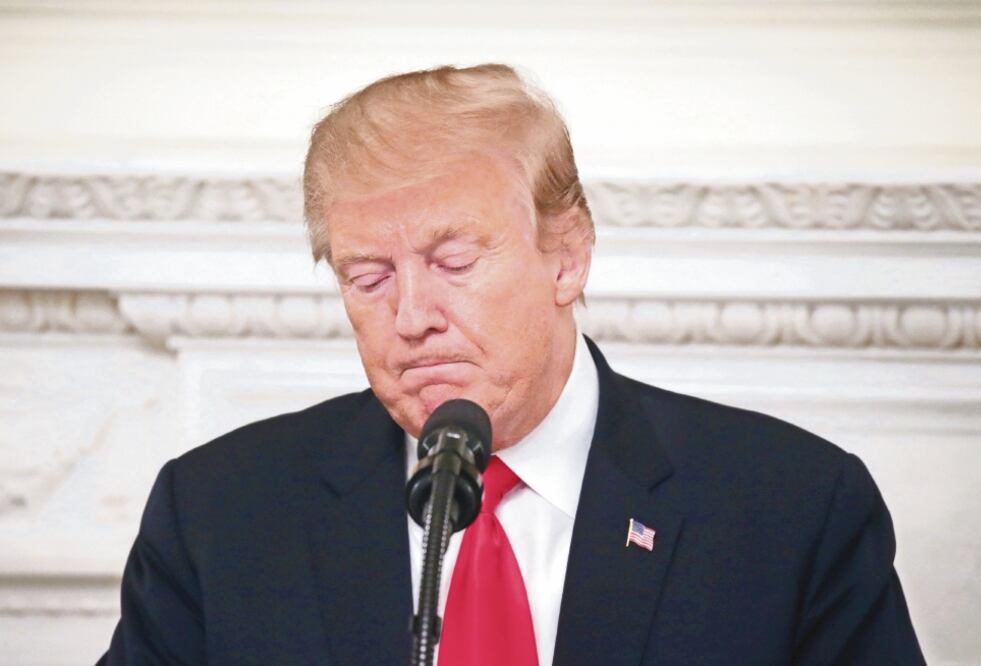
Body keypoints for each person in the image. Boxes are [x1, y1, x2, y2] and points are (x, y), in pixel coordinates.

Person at [99, 64, 924, 665]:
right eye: (370, 277)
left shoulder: (792, 509)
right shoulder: (217, 514)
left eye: (454, 261)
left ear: (566, 258)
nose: (412, 318)